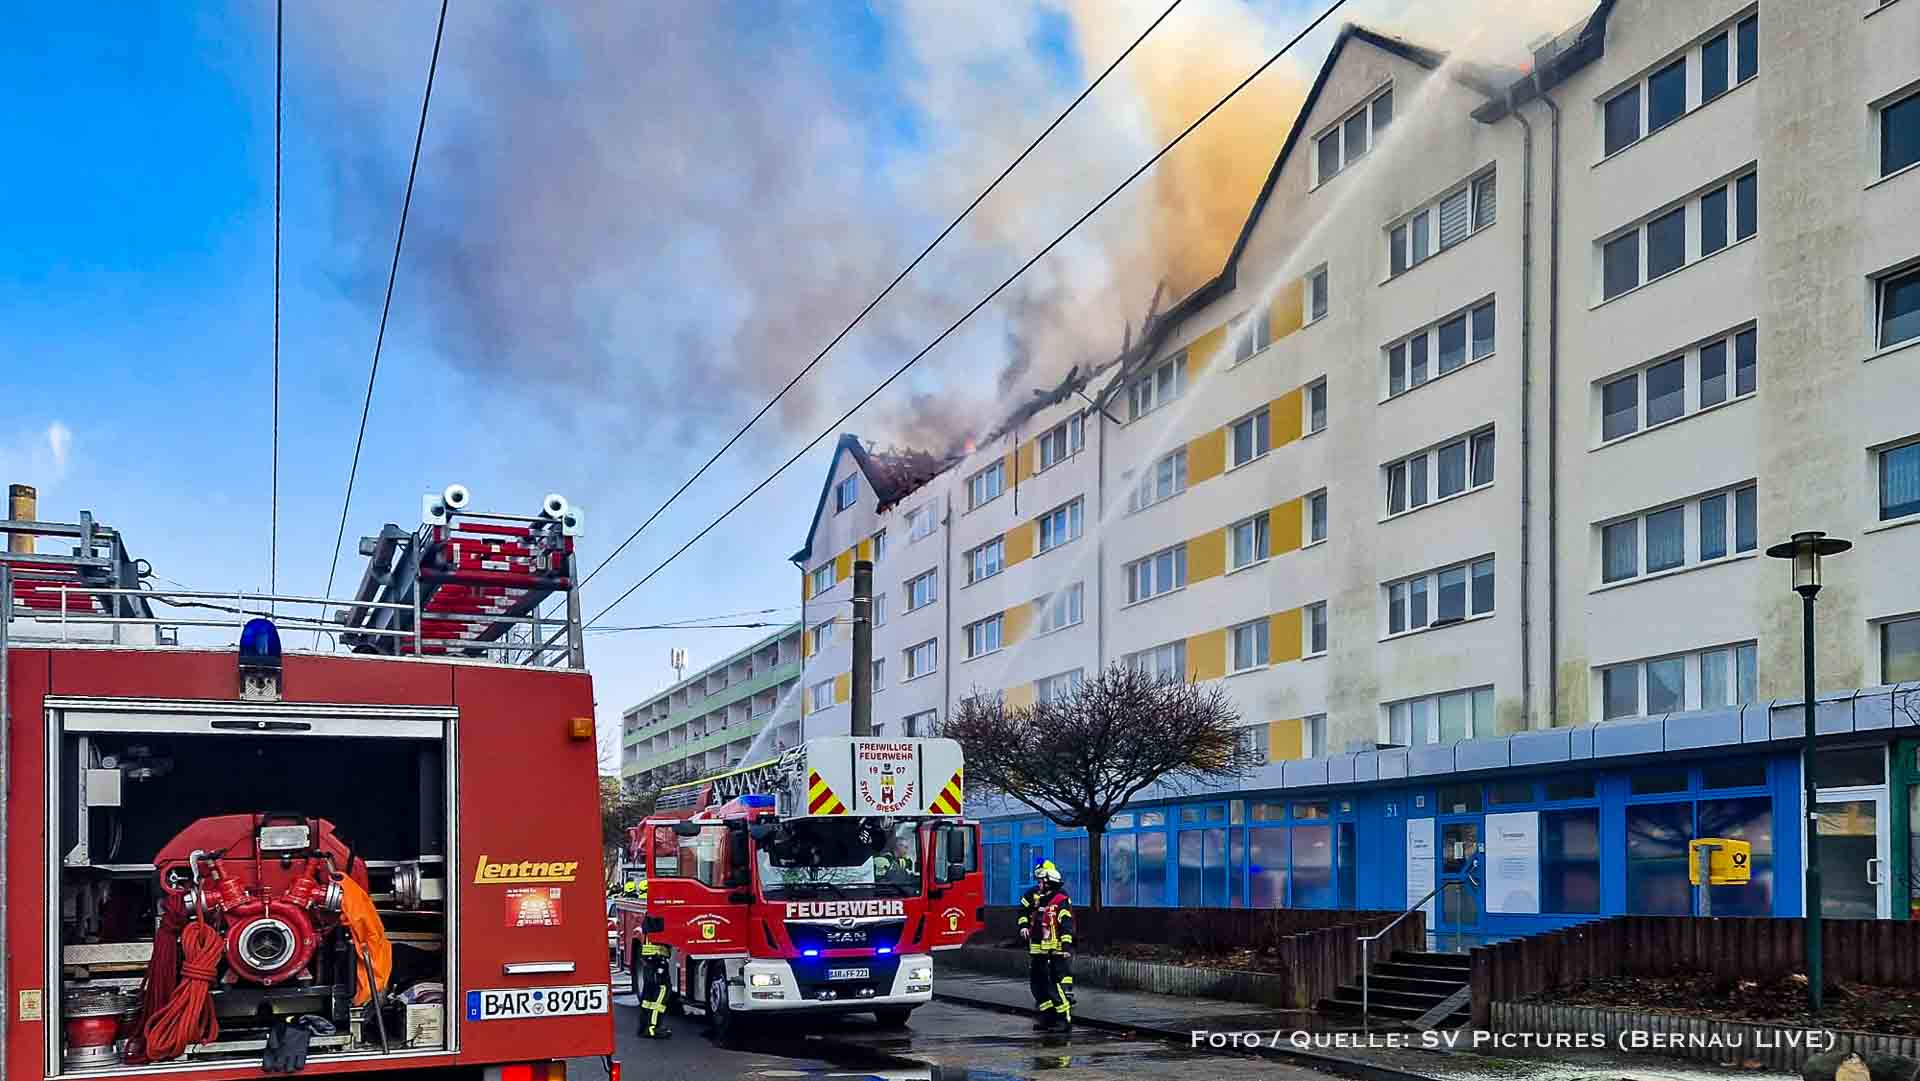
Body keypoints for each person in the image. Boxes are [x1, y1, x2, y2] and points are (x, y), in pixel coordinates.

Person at [1017, 861, 1074, 1029]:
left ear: (1049, 883)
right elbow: (1026, 914)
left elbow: (1066, 926)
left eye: (1041, 881)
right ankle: (1048, 1017)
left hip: (1054, 951)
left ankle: (1063, 1019)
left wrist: (1066, 948)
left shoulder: (1060, 900)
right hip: (1039, 948)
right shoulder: (1041, 899)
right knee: (1038, 985)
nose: (1038, 884)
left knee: (1052, 985)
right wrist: (1024, 926)